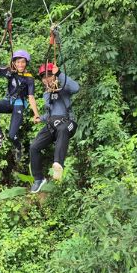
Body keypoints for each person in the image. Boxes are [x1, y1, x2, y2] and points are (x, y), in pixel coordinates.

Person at [28, 62, 80, 193]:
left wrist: (59, 74)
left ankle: (58, 164)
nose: (47, 79)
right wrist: (40, 118)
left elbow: (76, 88)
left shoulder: (64, 88)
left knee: (62, 129)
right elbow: (51, 113)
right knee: (34, 147)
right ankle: (39, 179)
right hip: (52, 125)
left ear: (54, 76)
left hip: (68, 123)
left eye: (50, 75)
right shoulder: (46, 94)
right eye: (44, 77)